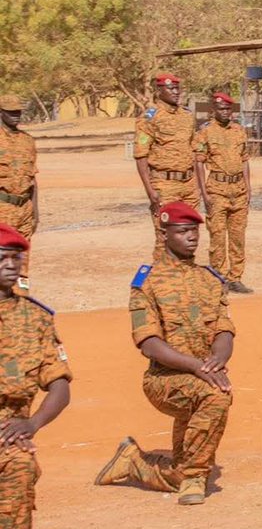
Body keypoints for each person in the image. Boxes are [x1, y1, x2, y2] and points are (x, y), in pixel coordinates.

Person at [95, 202, 237, 506]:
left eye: (195, 231)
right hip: (164, 379)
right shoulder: (147, 282)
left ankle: (136, 462)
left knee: (181, 459)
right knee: (216, 396)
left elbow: (224, 328)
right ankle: (195, 476)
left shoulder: (210, 279)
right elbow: (149, 344)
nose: (192, 237)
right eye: (183, 231)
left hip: (202, 373)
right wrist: (199, 367)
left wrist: (219, 359)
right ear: (164, 235)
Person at [0, 224, 71, 529]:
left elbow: (60, 386)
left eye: (17, 258)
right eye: (3, 259)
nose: (12, 265)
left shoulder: (36, 319)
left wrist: (32, 423)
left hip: (8, 427)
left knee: (20, 465)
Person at [134, 74, 202, 254]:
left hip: (188, 184)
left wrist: (196, 185)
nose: (176, 92)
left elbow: (194, 150)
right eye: (170, 88)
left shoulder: (187, 116)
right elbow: (141, 156)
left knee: (189, 235)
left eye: (177, 88)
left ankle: (185, 279)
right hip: (164, 184)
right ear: (159, 91)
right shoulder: (150, 117)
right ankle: (163, 279)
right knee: (165, 235)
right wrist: (150, 190)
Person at [194, 92, 253, 293]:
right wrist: (204, 193)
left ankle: (235, 277)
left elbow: (245, 160)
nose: (226, 112)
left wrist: (249, 187)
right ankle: (218, 278)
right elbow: (199, 163)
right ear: (213, 111)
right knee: (217, 237)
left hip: (239, 190)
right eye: (221, 109)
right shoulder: (205, 132)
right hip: (217, 190)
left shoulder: (239, 130)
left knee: (238, 237)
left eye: (228, 109)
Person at [0, 95, 37, 290]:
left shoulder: (28, 141)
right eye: (11, 112)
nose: (16, 116)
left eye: (18, 112)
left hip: (25, 208)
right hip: (3, 208)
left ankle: (21, 301)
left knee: (22, 258)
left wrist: (35, 212)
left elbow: (33, 178)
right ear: (1, 113)